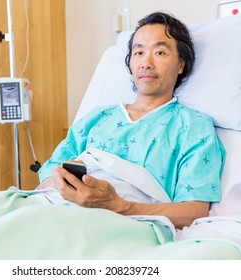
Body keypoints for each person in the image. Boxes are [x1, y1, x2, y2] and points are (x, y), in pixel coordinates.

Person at [37, 12, 226, 229]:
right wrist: (65, 188)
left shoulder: (193, 127)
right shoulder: (97, 118)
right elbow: (49, 172)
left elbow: (194, 211)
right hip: (59, 210)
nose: (146, 63)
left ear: (181, 64)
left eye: (160, 52)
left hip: (124, 225)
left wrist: (119, 206)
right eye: (138, 52)